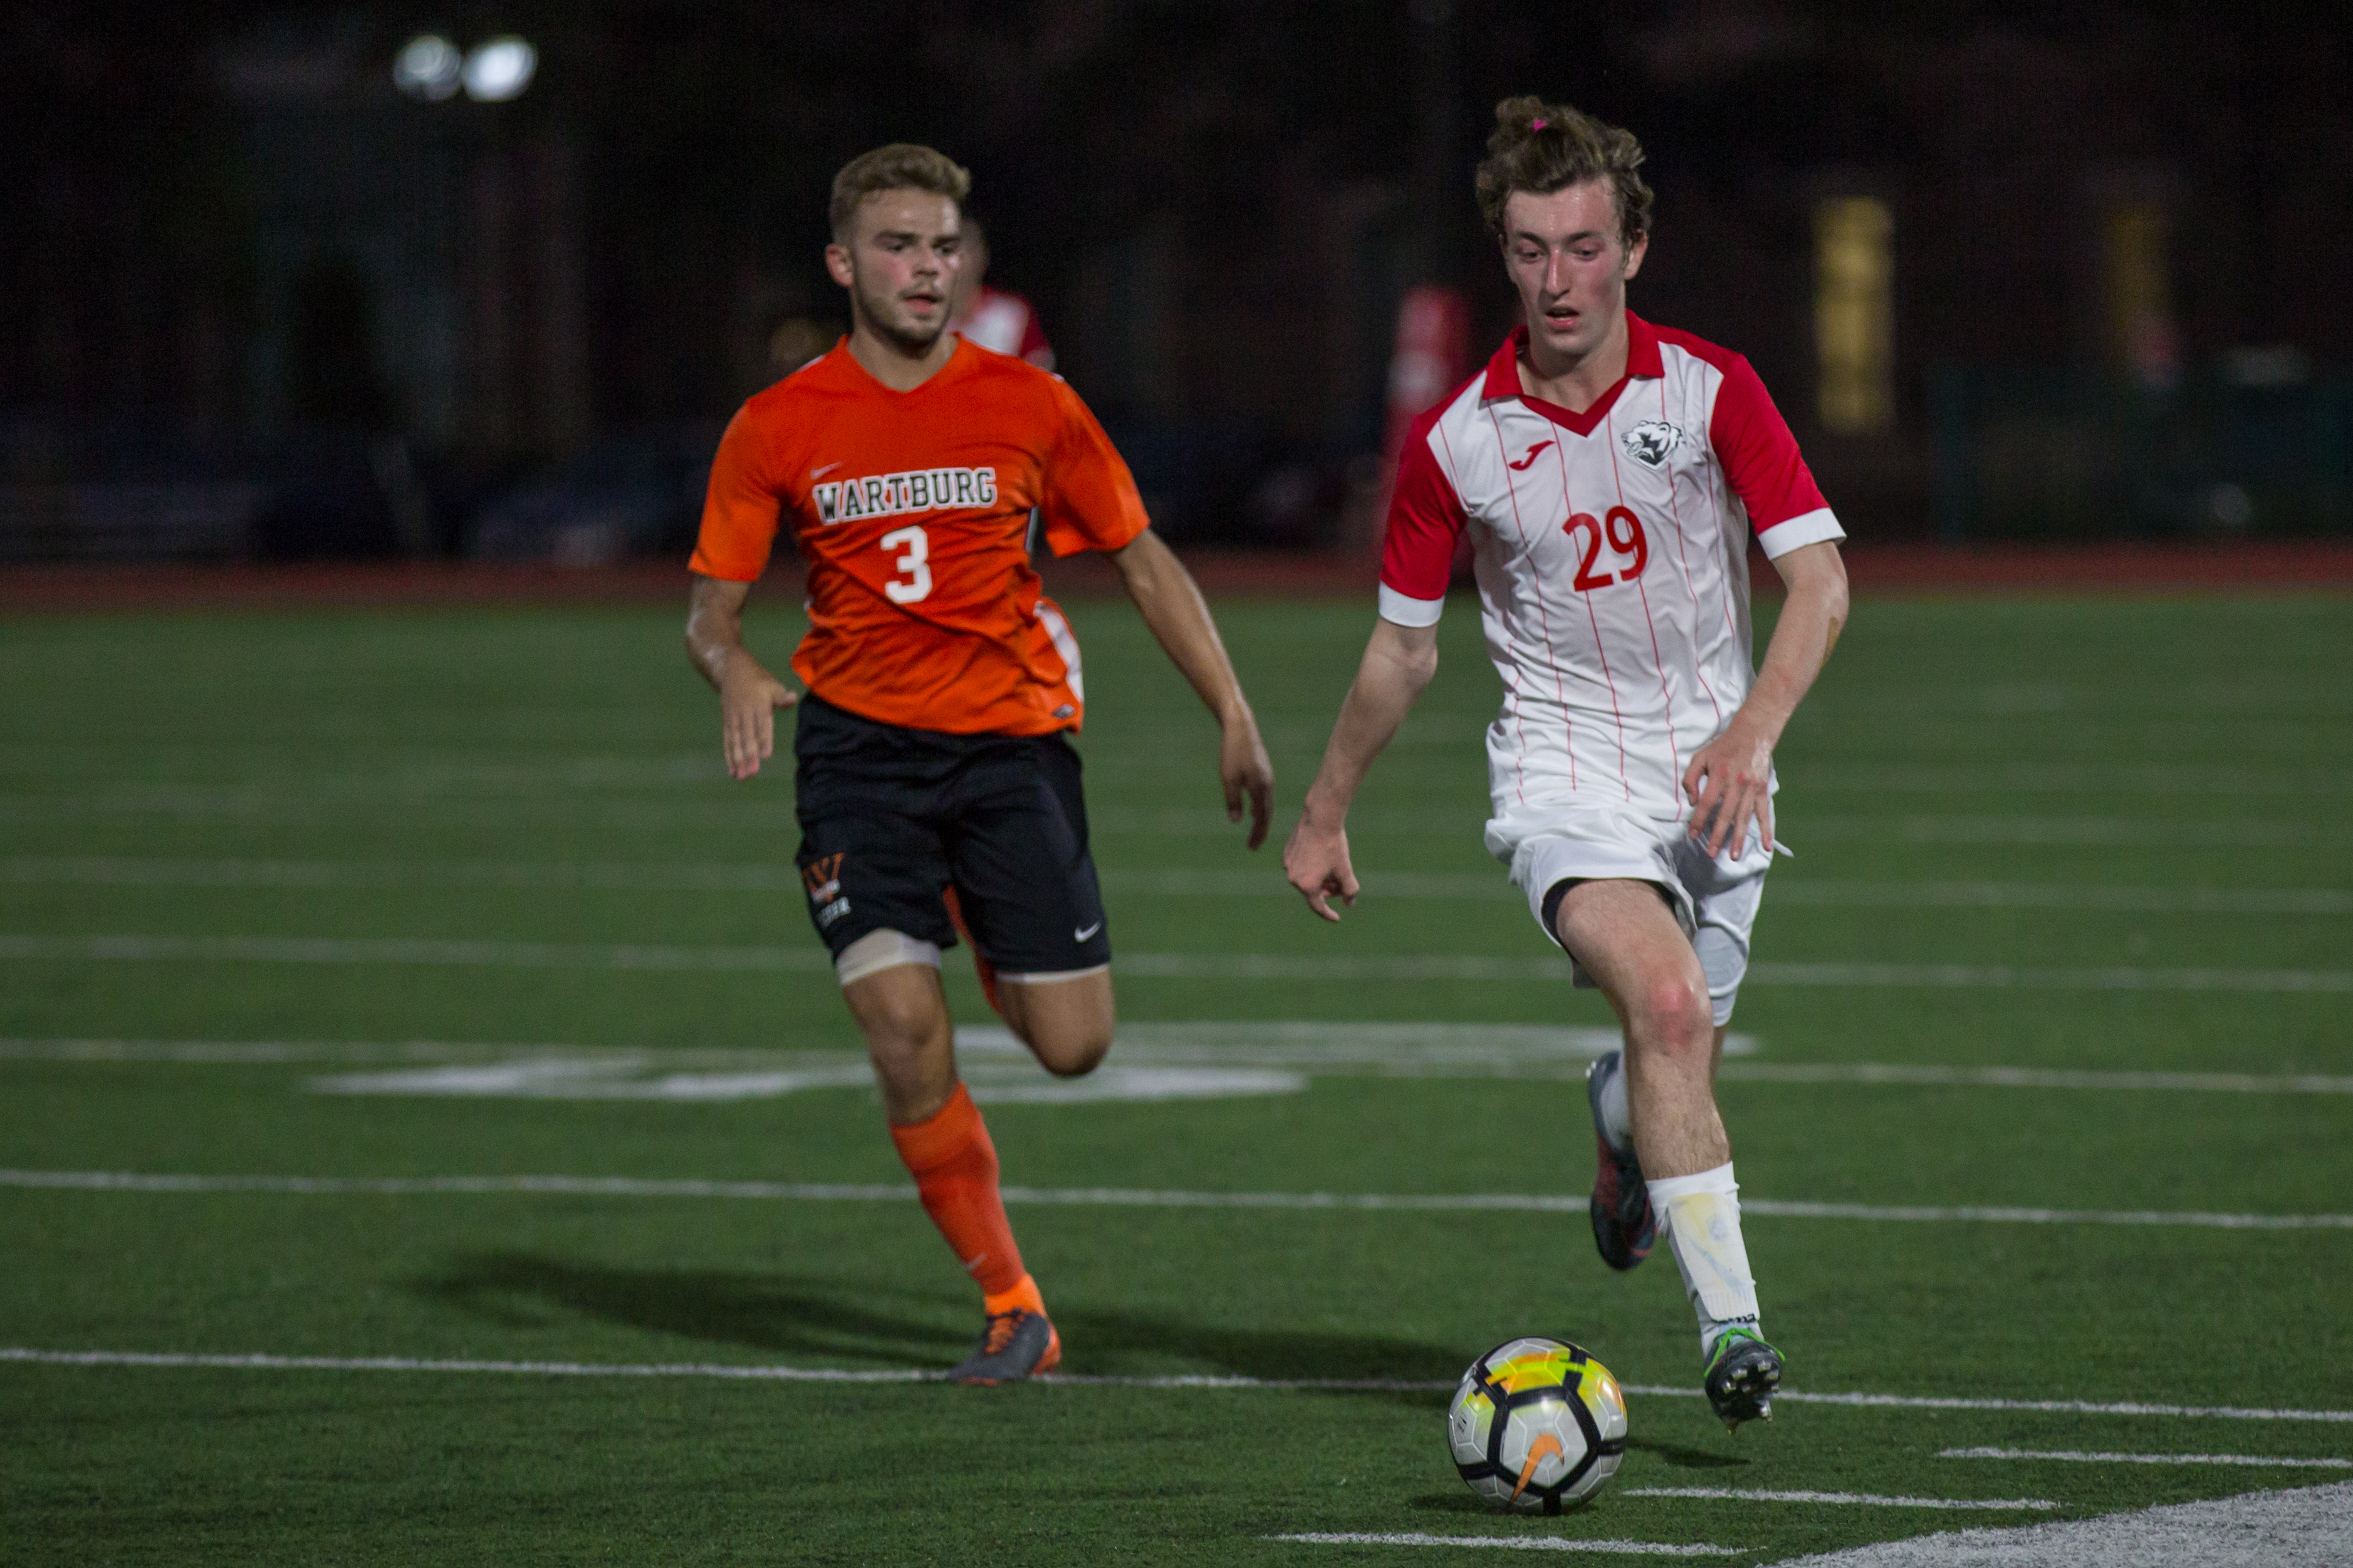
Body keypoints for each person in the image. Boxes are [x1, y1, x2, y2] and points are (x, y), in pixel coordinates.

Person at [1282, 97, 1849, 1432]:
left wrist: (1750, 729)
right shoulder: (1456, 443)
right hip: (1559, 780)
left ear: (1632, 248)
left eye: (1582, 247)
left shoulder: (1711, 390)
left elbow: (1817, 583)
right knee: (1662, 1008)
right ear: (1504, 254)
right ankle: (1731, 1334)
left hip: (1717, 783)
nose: (1556, 280)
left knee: (1671, 1053)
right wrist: (1322, 812)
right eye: (1530, 250)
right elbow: (1401, 653)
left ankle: (1616, 1131)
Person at [684, 143, 1274, 1384]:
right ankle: (1014, 1307)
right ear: (844, 263)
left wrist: (1229, 705)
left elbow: (1141, 557)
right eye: (896, 246)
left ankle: (970, 903)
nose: (924, 268)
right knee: (904, 1031)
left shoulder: (1030, 403)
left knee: (1074, 1048)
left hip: (1010, 745)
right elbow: (709, 608)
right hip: (855, 754)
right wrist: (733, 664)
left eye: (942, 247)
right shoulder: (777, 424)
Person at [947, 215, 1056, 369]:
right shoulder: (924, 317)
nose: (961, 260)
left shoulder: (1012, 313)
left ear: (983, 256)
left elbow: (1041, 368)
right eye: (951, 250)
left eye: (969, 249)